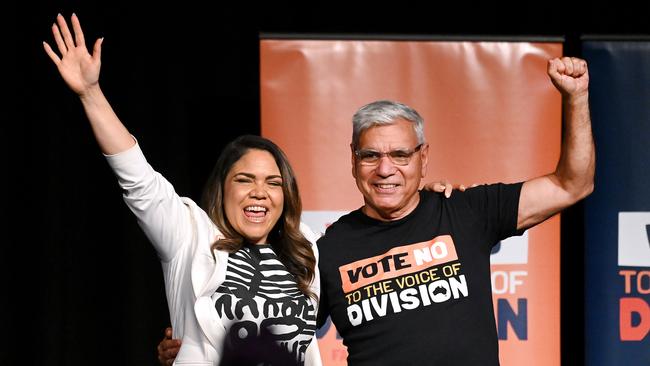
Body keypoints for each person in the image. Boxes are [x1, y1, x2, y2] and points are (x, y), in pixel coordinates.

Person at [158, 55, 594, 365]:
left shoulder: (466, 209)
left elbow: (572, 184)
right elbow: (279, 332)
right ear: (352, 159)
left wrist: (575, 97)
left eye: (401, 155)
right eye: (370, 156)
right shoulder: (326, 250)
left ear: (424, 157)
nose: (385, 170)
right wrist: (199, 348)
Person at [43, 13, 322, 365]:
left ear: (286, 195)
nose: (259, 192)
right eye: (244, 179)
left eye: (273, 183)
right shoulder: (187, 233)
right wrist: (90, 93)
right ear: (222, 189)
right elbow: (138, 177)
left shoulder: (304, 246)